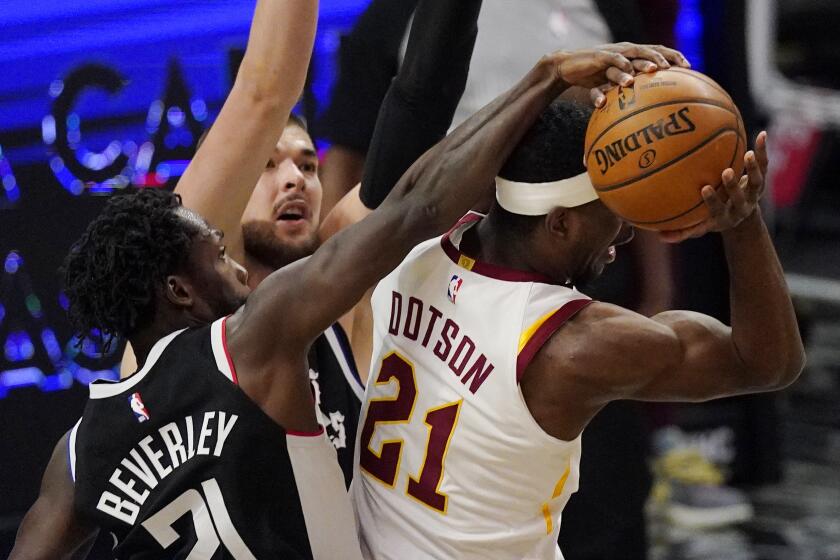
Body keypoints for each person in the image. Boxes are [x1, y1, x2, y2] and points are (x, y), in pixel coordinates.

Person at [10, 35, 673, 560]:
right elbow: (416, 199)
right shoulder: (257, 339)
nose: (224, 239)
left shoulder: (79, 450)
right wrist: (544, 80)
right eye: (212, 241)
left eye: (305, 161)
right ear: (179, 289)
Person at [350, 103, 805, 560]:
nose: (625, 234)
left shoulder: (411, 243)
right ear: (561, 223)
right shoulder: (570, 344)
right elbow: (767, 362)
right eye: (612, 211)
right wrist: (742, 222)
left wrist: (556, 81)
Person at [152, 0, 484, 486]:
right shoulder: (188, 286)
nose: (295, 180)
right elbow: (265, 90)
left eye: (308, 165)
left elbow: (419, 102)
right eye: (267, 164)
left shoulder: (335, 283)